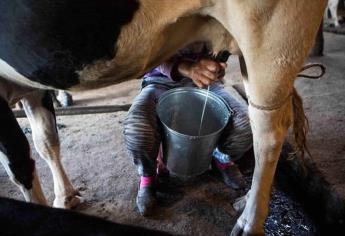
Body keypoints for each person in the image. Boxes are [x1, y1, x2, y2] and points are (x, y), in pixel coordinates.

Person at [123, 42, 252, 216]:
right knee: (137, 130)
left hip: (203, 83)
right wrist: (188, 68)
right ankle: (148, 174)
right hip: (158, 81)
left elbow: (217, 49)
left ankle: (220, 155)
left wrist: (214, 68)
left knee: (245, 125)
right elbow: (143, 55)